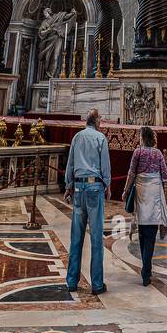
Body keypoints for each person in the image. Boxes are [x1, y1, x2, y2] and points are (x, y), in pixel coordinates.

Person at [64, 108, 110, 295]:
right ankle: (97, 284)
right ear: (97, 121)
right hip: (94, 188)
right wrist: (107, 184)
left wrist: (68, 185)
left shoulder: (77, 137)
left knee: (76, 237)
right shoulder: (100, 138)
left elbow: (71, 164)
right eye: (100, 119)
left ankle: (71, 281)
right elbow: (105, 165)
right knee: (97, 238)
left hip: (78, 188)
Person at [122, 125, 167, 286]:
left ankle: (146, 269)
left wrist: (126, 190)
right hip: (154, 194)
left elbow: (131, 173)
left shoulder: (138, 152)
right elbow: (165, 176)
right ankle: (146, 271)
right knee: (151, 234)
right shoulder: (157, 154)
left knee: (143, 232)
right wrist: (154, 176)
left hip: (141, 193)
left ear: (143, 138)